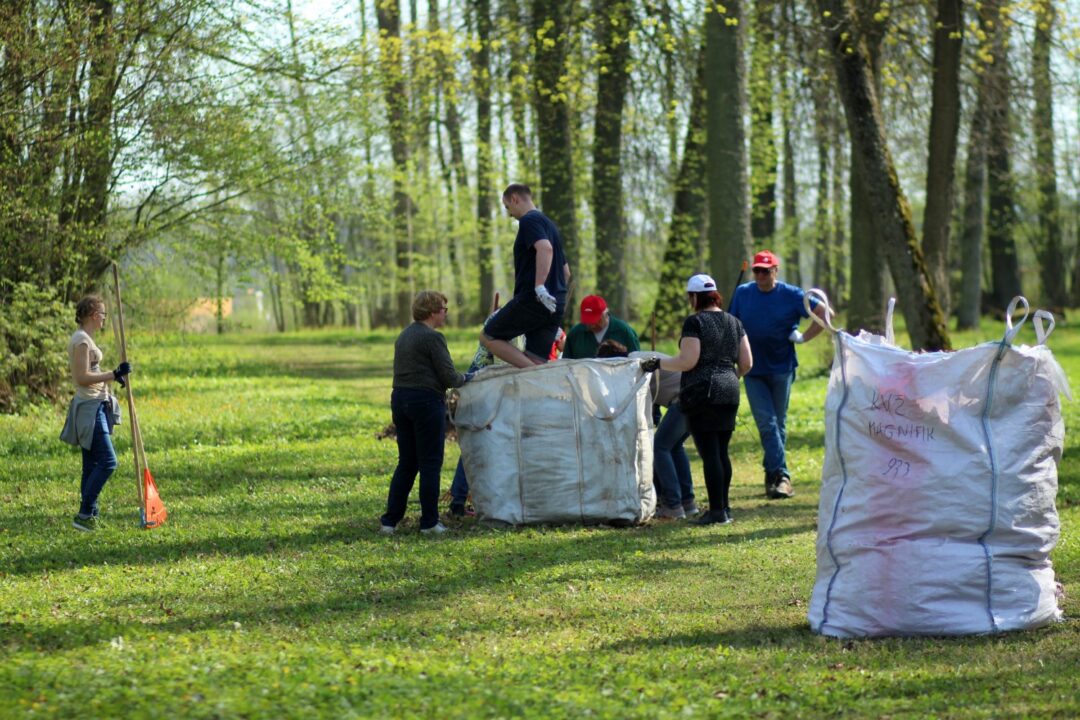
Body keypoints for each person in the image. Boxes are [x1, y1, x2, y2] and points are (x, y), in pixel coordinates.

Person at [641, 274, 752, 526]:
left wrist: (657, 363)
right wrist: (730, 377)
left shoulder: (695, 322)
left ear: (694, 297)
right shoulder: (735, 322)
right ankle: (724, 508)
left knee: (710, 453)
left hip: (702, 393)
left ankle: (716, 512)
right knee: (722, 452)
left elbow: (687, 361)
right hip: (730, 390)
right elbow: (747, 363)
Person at [728, 250, 828, 500]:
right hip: (752, 369)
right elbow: (731, 324)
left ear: (775, 271)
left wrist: (803, 337)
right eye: (757, 271)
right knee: (767, 423)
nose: (761, 275)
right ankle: (782, 476)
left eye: (766, 271)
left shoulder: (791, 294)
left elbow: (825, 313)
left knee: (778, 424)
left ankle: (772, 475)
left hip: (782, 367)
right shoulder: (743, 293)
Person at [380, 290, 467, 535]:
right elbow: (449, 376)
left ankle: (389, 521)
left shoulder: (404, 335)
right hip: (426, 402)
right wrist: (469, 378)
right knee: (430, 463)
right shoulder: (433, 338)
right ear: (432, 312)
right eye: (444, 310)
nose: (445, 314)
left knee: (407, 463)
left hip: (400, 400)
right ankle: (429, 523)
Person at [600, 342, 699, 520]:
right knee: (675, 448)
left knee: (659, 448)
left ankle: (673, 505)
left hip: (684, 399)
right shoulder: (639, 357)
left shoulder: (632, 367)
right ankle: (688, 502)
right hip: (697, 397)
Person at [59, 295, 132, 531]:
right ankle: (84, 513)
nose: (104, 319)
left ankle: (90, 516)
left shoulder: (86, 339)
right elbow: (82, 377)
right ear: (93, 315)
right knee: (109, 462)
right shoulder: (81, 340)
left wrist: (114, 377)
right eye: (103, 314)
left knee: (91, 466)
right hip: (89, 408)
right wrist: (113, 373)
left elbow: (92, 371)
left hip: (95, 404)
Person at [481, 183, 571, 368]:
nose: (509, 214)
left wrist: (540, 287)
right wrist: (555, 296)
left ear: (515, 199)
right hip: (556, 304)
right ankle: (536, 373)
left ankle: (532, 370)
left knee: (488, 336)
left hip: (533, 300)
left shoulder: (529, 220)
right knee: (536, 358)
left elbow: (545, 248)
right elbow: (566, 272)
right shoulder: (550, 225)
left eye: (507, 207)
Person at [563, 295, 641, 359]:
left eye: (596, 320)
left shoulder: (624, 331)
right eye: (588, 321)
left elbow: (636, 363)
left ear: (606, 314)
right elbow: (566, 365)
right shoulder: (575, 334)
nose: (592, 325)